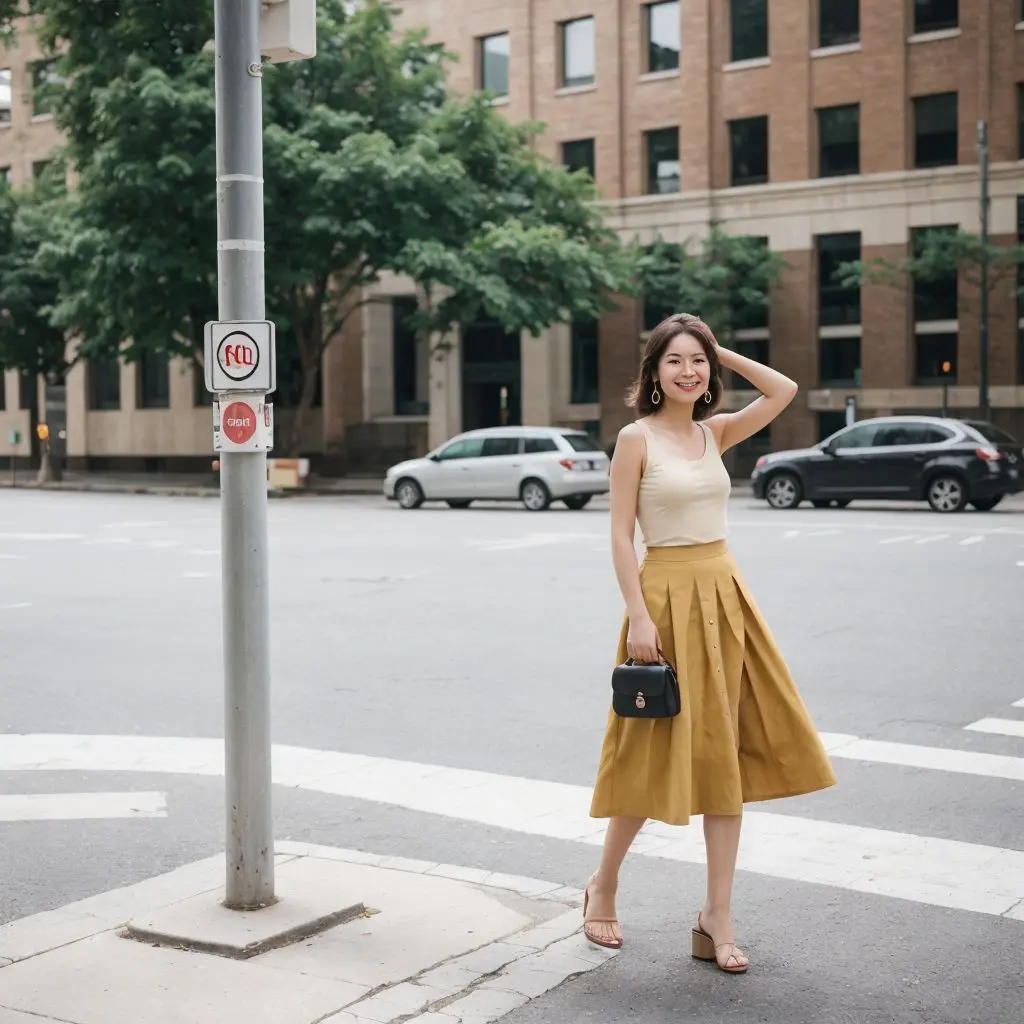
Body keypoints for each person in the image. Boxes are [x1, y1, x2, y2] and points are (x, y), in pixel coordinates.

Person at [583, 313, 836, 973]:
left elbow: (784, 390)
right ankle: (603, 885)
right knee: (648, 757)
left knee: (727, 759)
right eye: (675, 361)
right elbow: (617, 535)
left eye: (699, 361)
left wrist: (720, 348)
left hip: (724, 598)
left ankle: (715, 916)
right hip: (663, 600)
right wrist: (637, 616)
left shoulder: (713, 432)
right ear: (654, 373)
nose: (689, 371)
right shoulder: (635, 439)